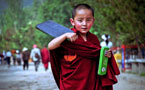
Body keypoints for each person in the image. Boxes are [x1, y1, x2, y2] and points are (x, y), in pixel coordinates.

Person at [48, 4, 120, 90]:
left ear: (93, 21)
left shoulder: (94, 39)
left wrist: (106, 55)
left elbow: (98, 56)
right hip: (71, 84)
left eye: (88, 20)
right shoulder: (67, 36)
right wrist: (65, 35)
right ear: (72, 21)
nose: (84, 24)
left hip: (91, 82)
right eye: (80, 20)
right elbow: (50, 46)